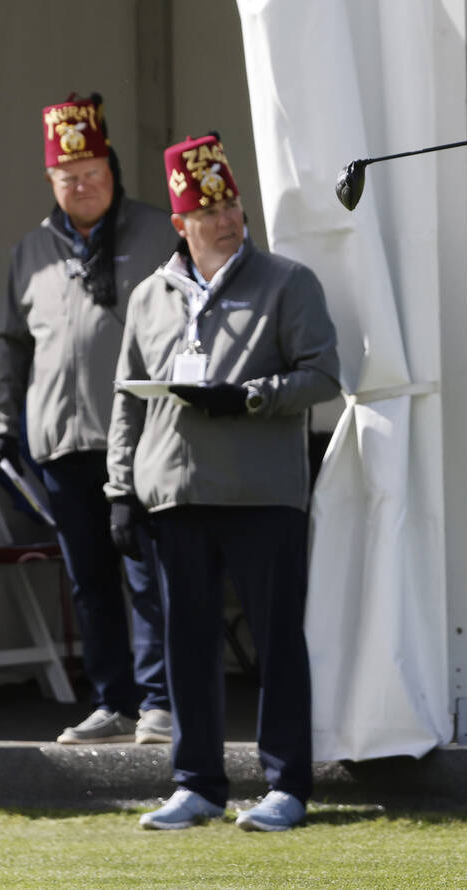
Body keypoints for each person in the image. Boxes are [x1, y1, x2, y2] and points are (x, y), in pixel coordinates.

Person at [106, 132, 341, 831]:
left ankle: (287, 783)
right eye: (209, 212)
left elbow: (323, 376)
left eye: (232, 205)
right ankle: (197, 783)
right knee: (187, 644)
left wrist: (248, 397)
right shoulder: (150, 296)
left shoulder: (287, 282)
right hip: (176, 496)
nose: (227, 220)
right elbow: (126, 399)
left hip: (263, 494)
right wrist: (120, 489)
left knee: (277, 643)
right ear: (182, 224)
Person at [0, 93, 176, 745]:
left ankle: (159, 702)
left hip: (145, 438)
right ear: (51, 182)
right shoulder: (30, 253)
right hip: (61, 443)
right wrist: (0, 425)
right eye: (70, 177)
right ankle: (113, 701)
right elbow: (11, 344)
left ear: (114, 170)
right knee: (89, 581)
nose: (84, 186)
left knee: (149, 573)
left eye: (95, 172)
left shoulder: (159, 232)